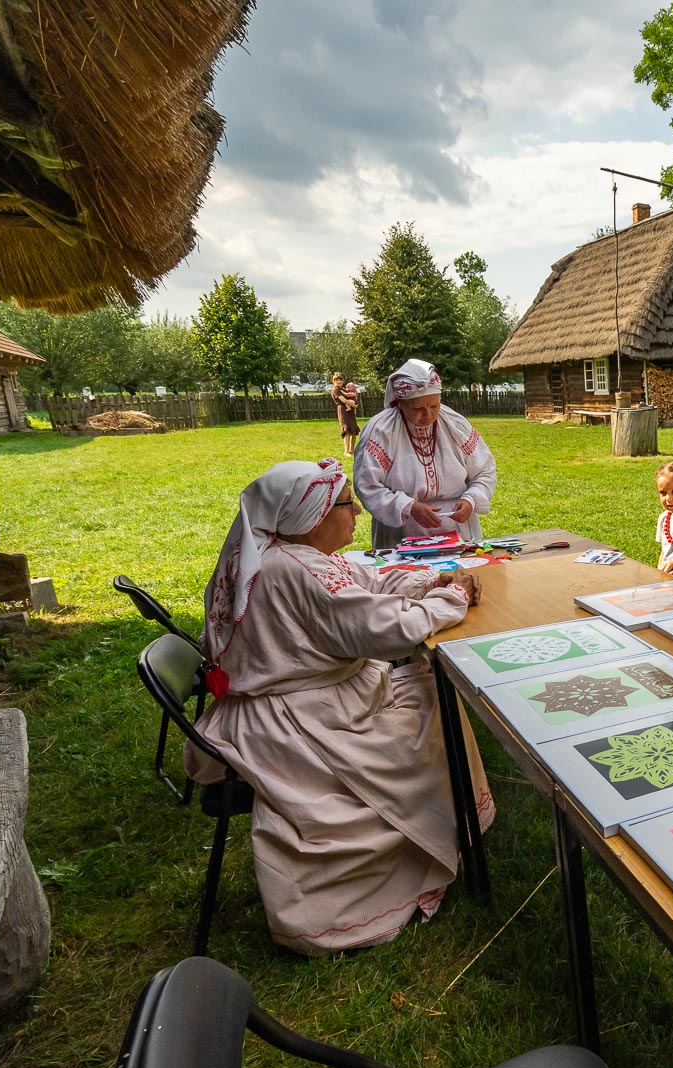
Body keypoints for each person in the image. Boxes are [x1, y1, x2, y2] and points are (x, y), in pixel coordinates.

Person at [186, 459, 495, 955]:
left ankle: (450, 825)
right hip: (301, 723)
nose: (355, 513)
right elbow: (382, 630)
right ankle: (433, 839)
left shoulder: (279, 554)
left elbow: (363, 589)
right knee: (435, 712)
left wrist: (427, 586)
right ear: (313, 515)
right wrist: (452, 597)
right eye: (348, 505)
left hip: (284, 705)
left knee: (428, 692)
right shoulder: (296, 570)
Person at [354, 357, 497, 549]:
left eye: (434, 406)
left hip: (457, 528)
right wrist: (408, 507)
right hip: (403, 530)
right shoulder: (380, 431)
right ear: (401, 403)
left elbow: (484, 471)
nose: (428, 415)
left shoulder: (455, 424)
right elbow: (367, 486)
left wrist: (470, 499)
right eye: (418, 408)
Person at [331, 372, 360, 456]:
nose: (339, 382)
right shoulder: (335, 390)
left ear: (343, 381)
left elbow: (352, 394)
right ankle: (346, 451)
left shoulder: (343, 389)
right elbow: (344, 400)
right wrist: (354, 405)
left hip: (350, 411)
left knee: (353, 430)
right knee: (346, 430)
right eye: (337, 380)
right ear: (334, 381)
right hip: (343, 410)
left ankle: (352, 450)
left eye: (340, 380)